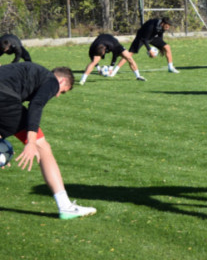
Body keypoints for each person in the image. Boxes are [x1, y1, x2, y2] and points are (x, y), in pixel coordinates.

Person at [0, 63, 97, 219]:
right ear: (62, 81)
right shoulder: (51, 81)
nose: (57, 95)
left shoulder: (30, 71)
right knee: (42, 146)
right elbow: (36, 105)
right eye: (62, 92)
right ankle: (65, 206)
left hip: (5, 96)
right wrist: (31, 142)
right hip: (4, 98)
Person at [79, 34, 145, 84]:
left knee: (129, 58)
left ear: (105, 49)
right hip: (100, 41)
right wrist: (98, 68)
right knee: (94, 62)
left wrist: (111, 68)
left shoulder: (111, 45)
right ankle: (83, 79)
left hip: (115, 43)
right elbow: (91, 56)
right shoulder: (93, 47)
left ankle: (138, 76)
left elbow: (115, 55)